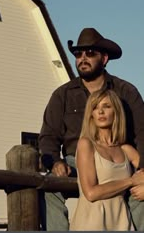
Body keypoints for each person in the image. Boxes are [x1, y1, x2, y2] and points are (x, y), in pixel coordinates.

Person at [38, 27, 144, 231]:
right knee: (50, 187)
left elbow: (142, 133)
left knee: (140, 195)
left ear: (104, 59)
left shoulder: (126, 91)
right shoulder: (63, 94)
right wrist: (56, 161)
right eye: (78, 54)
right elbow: (48, 136)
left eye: (89, 53)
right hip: (76, 161)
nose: (82, 58)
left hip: (117, 159)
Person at [70, 89, 139, 231]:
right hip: (91, 222)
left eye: (106, 106)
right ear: (91, 115)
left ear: (116, 112)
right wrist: (131, 181)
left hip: (121, 221)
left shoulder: (126, 149)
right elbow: (91, 193)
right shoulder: (86, 144)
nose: (100, 112)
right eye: (95, 108)